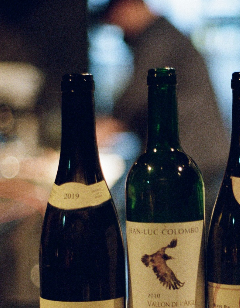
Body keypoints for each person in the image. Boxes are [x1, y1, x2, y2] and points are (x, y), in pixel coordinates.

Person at [93, 0, 228, 212]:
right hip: (197, 154)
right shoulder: (163, 35)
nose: (120, 31)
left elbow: (137, 93)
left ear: (128, 6)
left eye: (117, 21)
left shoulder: (159, 38)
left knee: (170, 222)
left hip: (192, 154)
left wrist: (106, 127)